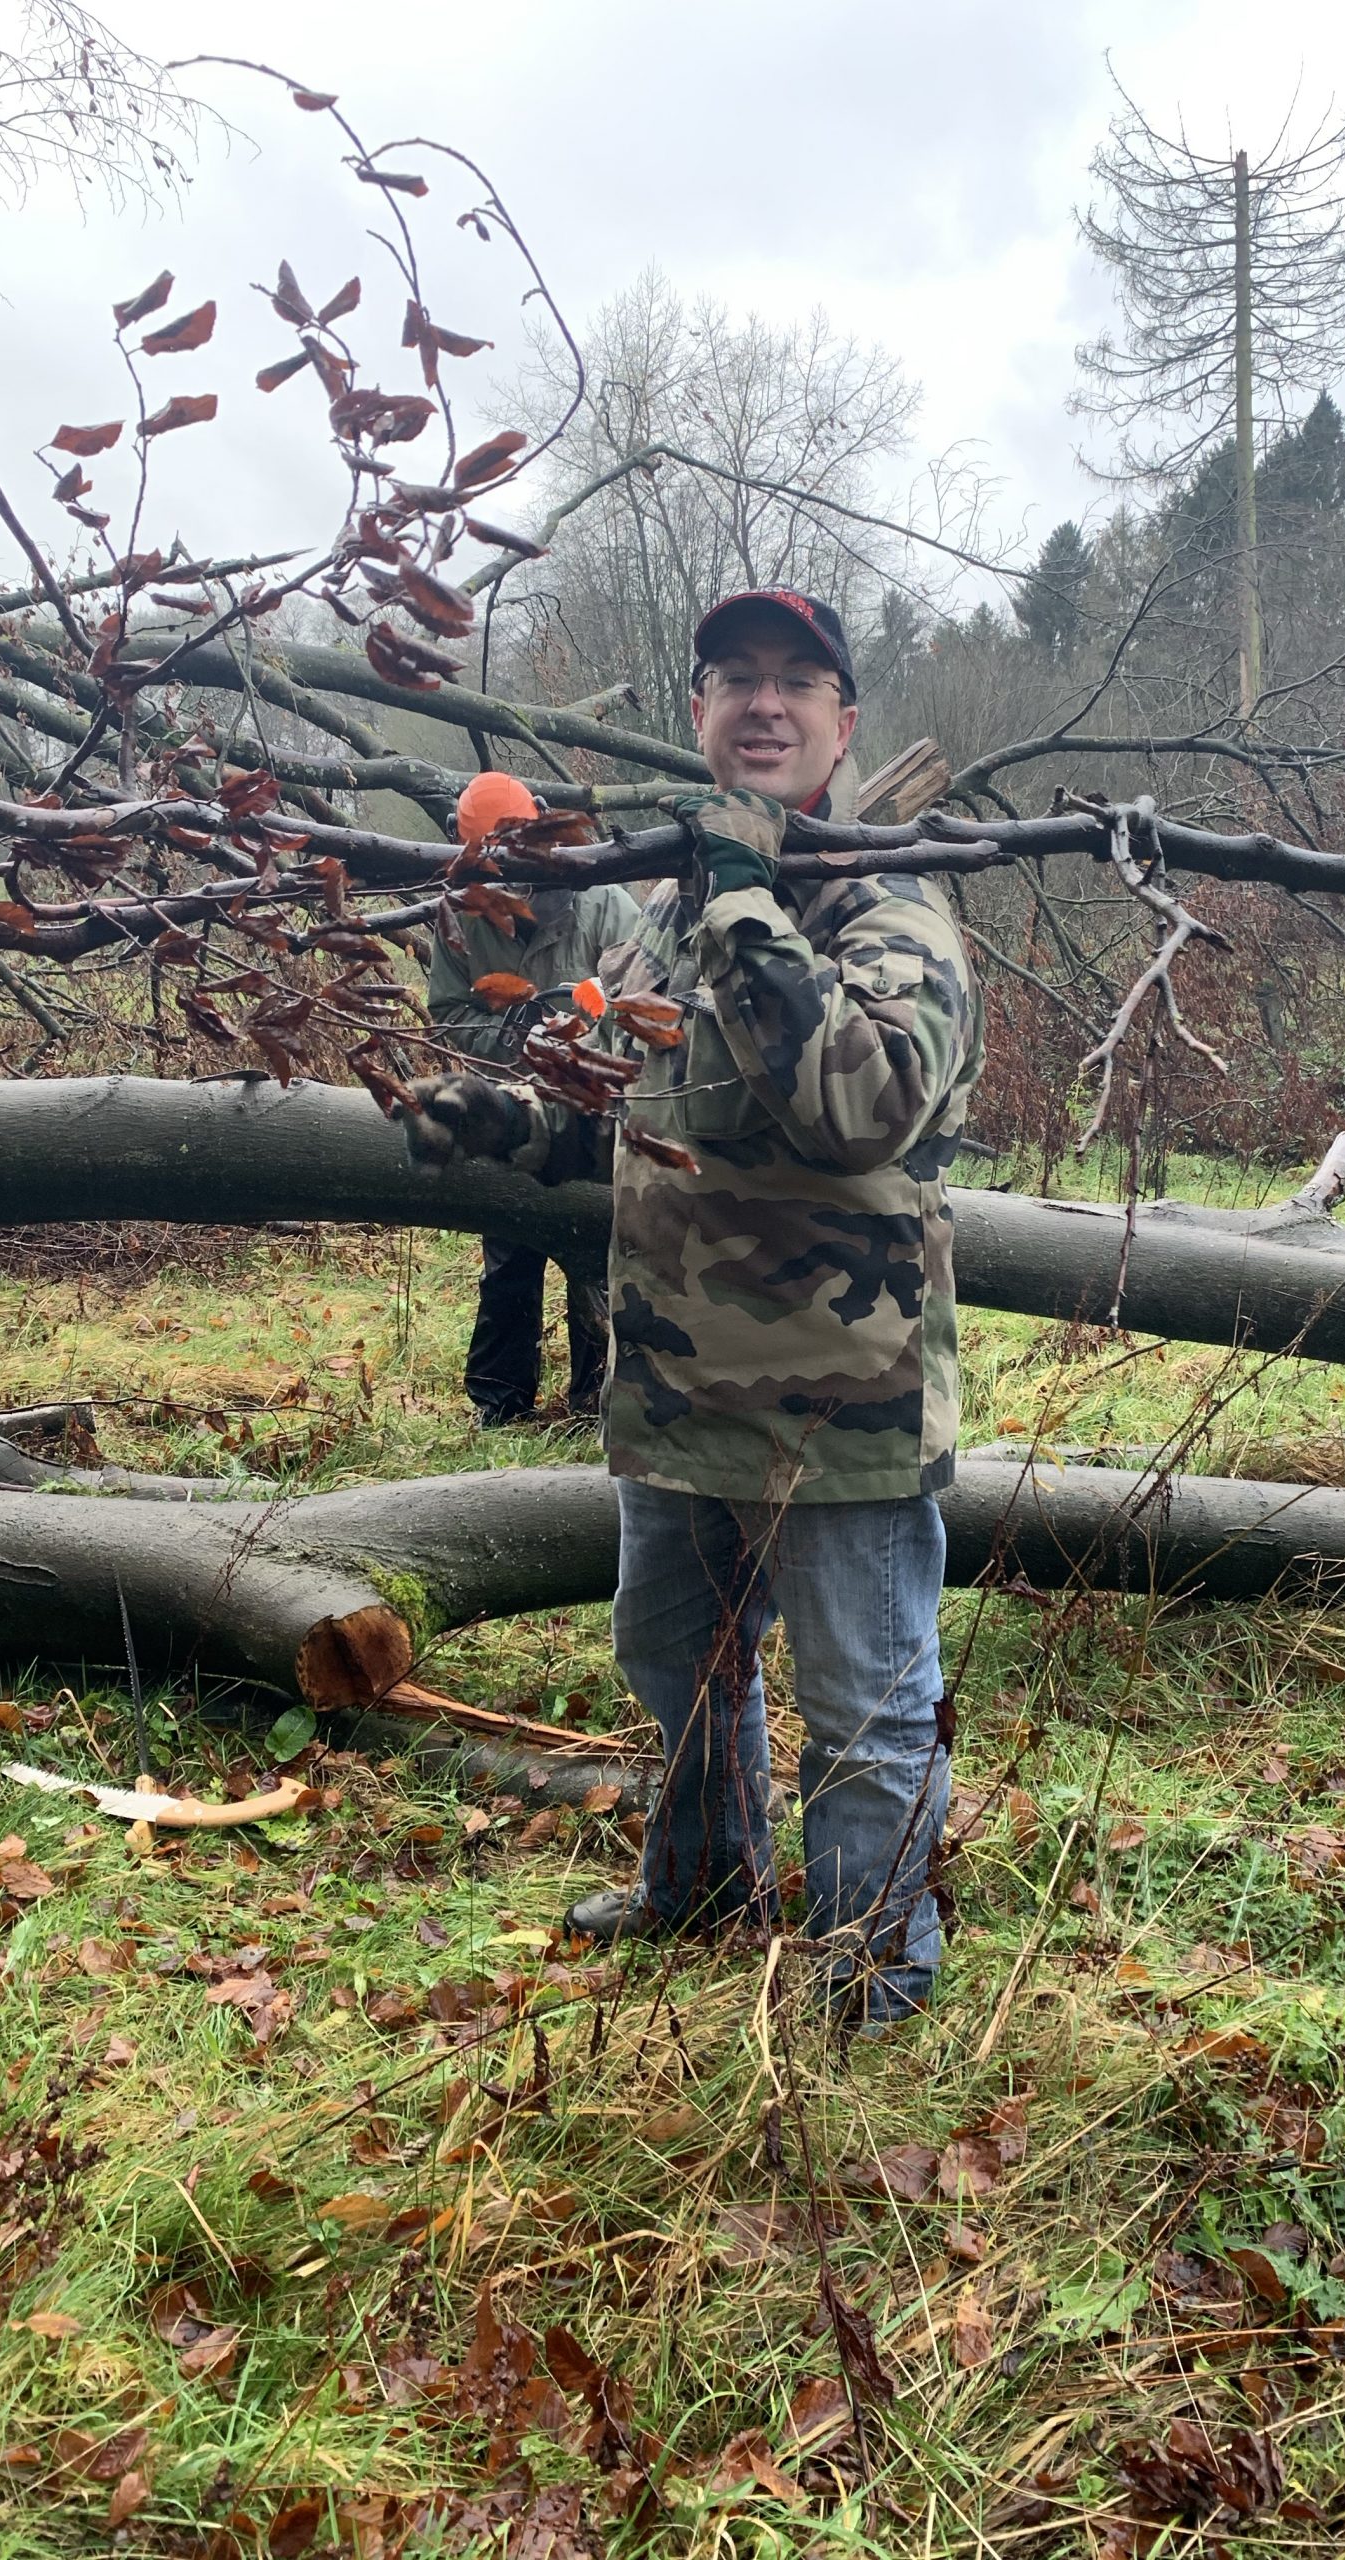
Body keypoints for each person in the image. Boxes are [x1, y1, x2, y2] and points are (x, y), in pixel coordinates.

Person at [405, 592, 982, 2027]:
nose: (765, 705)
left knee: (865, 1709)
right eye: (736, 680)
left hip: (835, 1407)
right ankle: (707, 1884)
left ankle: (870, 1976)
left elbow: (861, 1104)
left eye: (799, 683)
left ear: (844, 725)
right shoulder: (667, 915)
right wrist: (506, 1120)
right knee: (678, 1660)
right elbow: (630, 1111)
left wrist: (742, 897)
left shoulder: (891, 903)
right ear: (700, 714)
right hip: (672, 1395)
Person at [426, 772, 641, 1427]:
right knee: (509, 1255)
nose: (506, 882)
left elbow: (643, 996)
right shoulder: (459, 916)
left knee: (596, 1257)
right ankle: (498, 1398)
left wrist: (580, 1036)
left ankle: (594, 1398)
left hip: (595, 1104)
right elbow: (447, 1012)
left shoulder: (602, 899)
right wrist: (511, 1033)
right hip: (507, 1103)